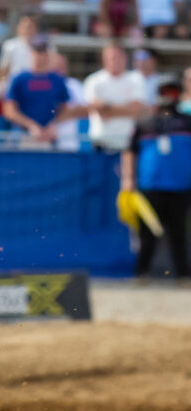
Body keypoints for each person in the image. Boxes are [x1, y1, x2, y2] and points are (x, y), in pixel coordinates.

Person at [123, 97, 191, 276]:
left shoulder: (187, 122)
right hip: (150, 187)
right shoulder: (145, 123)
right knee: (147, 233)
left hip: (181, 187)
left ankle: (183, 274)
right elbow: (129, 151)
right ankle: (141, 273)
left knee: (179, 233)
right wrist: (128, 179)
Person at [3, 37, 83, 146]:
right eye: (37, 52)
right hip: (24, 136)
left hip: (50, 138)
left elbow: (64, 109)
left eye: (43, 52)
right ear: (30, 53)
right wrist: (31, 125)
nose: (39, 56)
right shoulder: (19, 79)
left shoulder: (57, 80)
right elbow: (9, 110)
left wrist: (52, 125)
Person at [83, 44, 153, 151]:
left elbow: (137, 110)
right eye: (110, 58)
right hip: (100, 142)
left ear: (124, 58)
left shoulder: (136, 79)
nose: (113, 61)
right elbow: (97, 110)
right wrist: (127, 109)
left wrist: (108, 108)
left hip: (128, 143)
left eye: (116, 57)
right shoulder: (93, 80)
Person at [0, 14, 42, 94]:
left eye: (30, 27)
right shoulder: (10, 45)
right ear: (19, 28)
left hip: (36, 86)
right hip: (15, 87)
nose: (27, 29)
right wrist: (0, 87)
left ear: (36, 29)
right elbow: (3, 69)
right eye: (24, 26)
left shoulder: (44, 46)